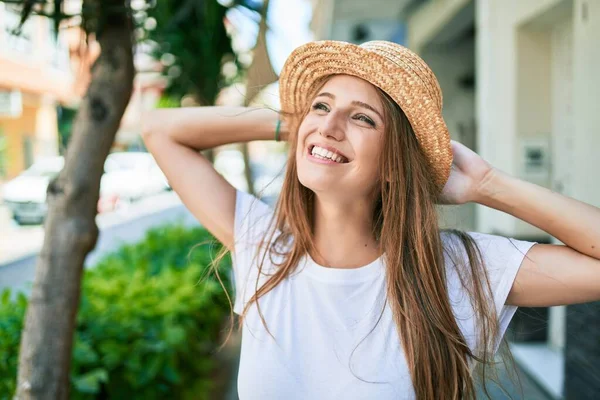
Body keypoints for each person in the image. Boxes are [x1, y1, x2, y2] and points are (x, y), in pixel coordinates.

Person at [142, 40, 600, 399]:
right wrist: (297, 120)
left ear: (394, 162)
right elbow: (160, 129)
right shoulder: (264, 246)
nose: (329, 124)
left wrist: (487, 184)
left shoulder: (453, 269)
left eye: (362, 118)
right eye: (322, 105)